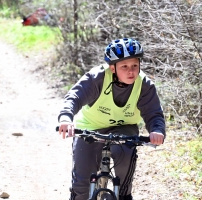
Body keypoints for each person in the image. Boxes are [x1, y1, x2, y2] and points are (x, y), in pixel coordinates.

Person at [58, 38, 165, 200]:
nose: (131, 71)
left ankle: (123, 195)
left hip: (124, 128)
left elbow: (153, 113)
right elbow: (74, 98)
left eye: (135, 66)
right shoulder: (97, 78)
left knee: (125, 154)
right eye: (125, 66)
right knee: (81, 186)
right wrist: (66, 118)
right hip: (90, 128)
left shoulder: (144, 85)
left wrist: (156, 130)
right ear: (112, 68)